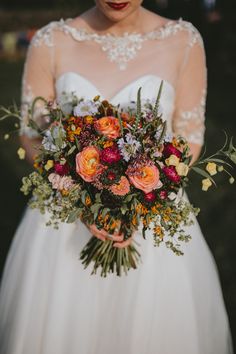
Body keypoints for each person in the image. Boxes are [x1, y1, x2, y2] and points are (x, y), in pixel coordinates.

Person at [0, 1, 233, 353]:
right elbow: (32, 135)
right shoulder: (51, 41)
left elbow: (190, 136)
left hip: (151, 218)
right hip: (63, 220)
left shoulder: (183, 40)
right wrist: (78, 195)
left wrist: (142, 195)